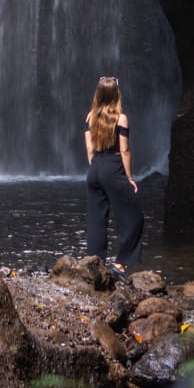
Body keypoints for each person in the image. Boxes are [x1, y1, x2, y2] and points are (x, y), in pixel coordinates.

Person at [84, 75, 144, 276]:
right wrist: (129, 178)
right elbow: (125, 151)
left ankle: (95, 266)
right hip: (113, 167)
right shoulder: (121, 118)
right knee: (134, 215)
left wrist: (97, 170)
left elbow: (90, 151)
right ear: (115, 94)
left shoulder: (90, 117)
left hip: (95, 169)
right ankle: (120, 264)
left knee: (96, 220)